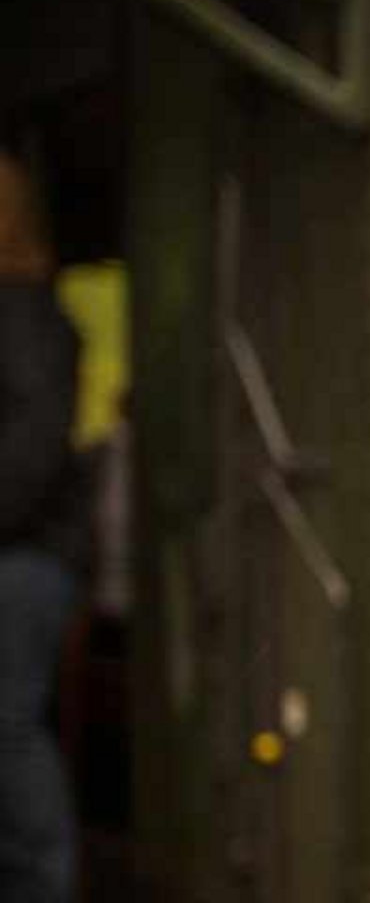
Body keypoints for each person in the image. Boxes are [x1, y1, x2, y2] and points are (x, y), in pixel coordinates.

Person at [0, 152, 89, 903]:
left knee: (6, 727)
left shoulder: (23, 311)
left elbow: (34, 445)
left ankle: (44, 886)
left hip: (23, 558)